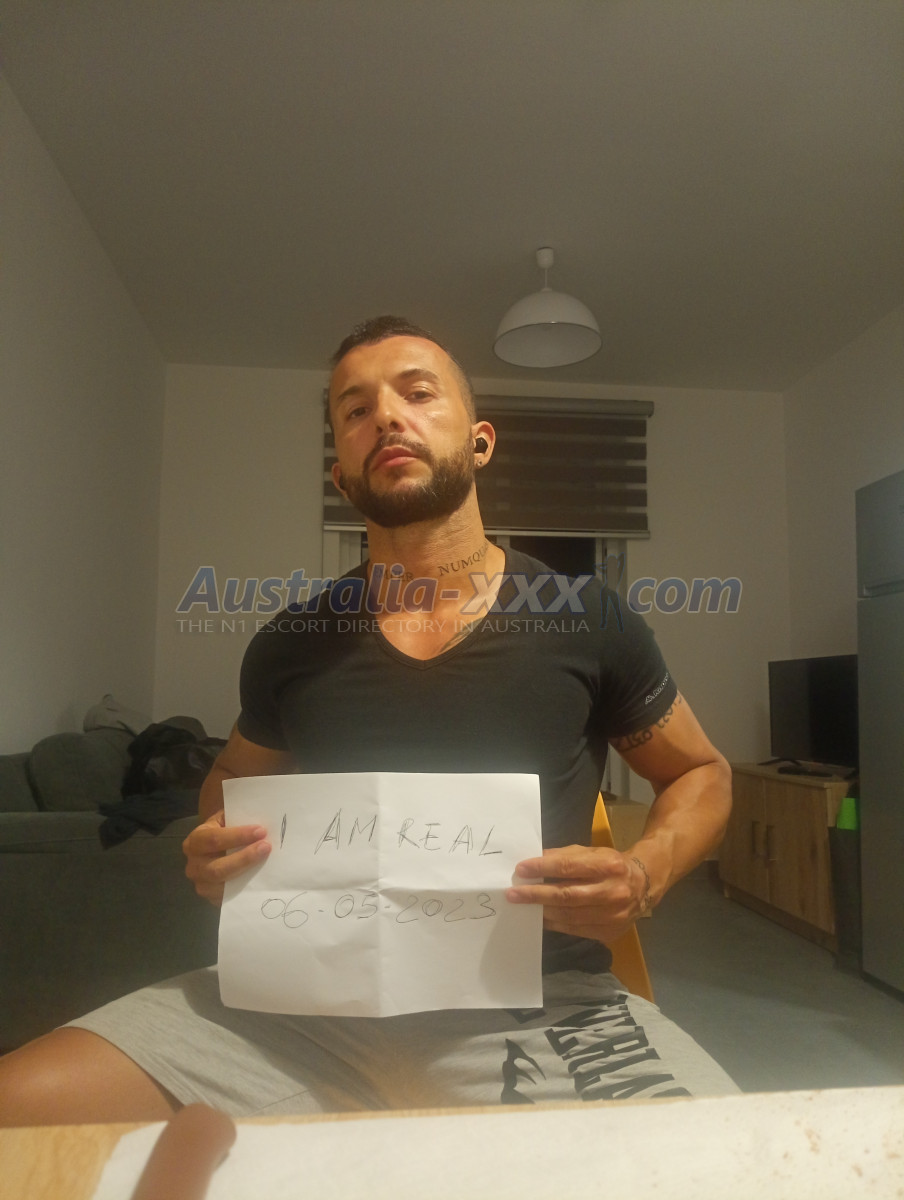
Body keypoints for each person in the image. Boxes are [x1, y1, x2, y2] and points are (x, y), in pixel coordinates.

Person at [0, 316, 736, 1125]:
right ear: (342, 476)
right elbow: (232, 779)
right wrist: (213, 844)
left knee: (734, 1164)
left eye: (418, 394)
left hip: (539, 1006)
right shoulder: (291, 644)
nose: (386, 415)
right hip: (296, 1011)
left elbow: (699, 772)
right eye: (355, 410)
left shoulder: (588, 618)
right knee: (17, 1104)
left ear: (480, 442)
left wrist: (644, 874)